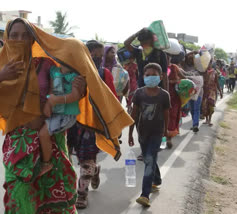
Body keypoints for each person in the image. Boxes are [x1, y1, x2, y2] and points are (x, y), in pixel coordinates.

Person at [0, 18, 133, 213]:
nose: (19, 40)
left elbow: (65, 88)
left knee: (54, 200)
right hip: (19, 145)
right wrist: (0, 77)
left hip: (51, 141)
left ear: (33, 40)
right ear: (7, 39)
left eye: (25, 35)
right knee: (20, 198)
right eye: (14, 36)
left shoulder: (45, 65)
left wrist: (76, 92)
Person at [67, 40, 118, 209]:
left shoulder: (104, 74)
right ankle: (94, 171)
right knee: (70, 159)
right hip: (70, 123)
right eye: (93, 54)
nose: (96, 58)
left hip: (91, 125)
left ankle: (82, 194)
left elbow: (112, 101)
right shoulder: (68, 73)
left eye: (99, 55)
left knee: (87, 159)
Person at [128, 63, 170, 207]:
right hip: (142, 133)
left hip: (157, 134)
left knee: (150, 159)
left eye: (154, 74)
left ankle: (145, 195)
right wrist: (130, 134)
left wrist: (166, 134)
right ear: (143, 76)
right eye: (147, 75)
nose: (151, 77)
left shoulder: (164, 95)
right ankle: (156, 180)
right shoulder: (139, 93)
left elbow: (166, 115)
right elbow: (134, 114)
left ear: (161, 76)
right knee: (149, 159)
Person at [38, 63, 81, 175]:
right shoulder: (54, 71)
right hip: (56, 112)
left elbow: (75, 95)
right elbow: (51, 90)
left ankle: (46, 163)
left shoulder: (76, 75)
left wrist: (56, 100)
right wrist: (49, 103)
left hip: (66, 115)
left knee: (43, 134)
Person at [166, 54, 185, 148]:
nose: (167, 58)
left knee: (172, 117)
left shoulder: (174, 67)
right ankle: (162, 138)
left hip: (174, 97)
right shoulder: (159, 67)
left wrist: (175, 81)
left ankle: (169, 138)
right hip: (162, 96)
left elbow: (183, 78)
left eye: (168, 56)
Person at [182, 51, 203, 133]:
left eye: (193, 59)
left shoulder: (198, 67)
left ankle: (195, 125)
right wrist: (193, 52)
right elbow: (183, 56)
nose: (191, 60)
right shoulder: (184, 66)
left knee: (197, 108)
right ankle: (194, 123)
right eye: (190, 59)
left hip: (198, 92)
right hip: (189, 91)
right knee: (192, 109)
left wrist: (197, 55)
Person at [202, 61, 223, 126]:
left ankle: (210, 120)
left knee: (211, 105)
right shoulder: (204, 72)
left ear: (211, 64)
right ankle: (206, 119)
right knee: (205, 106)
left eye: (209, 64)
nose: (208, 65)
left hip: (212, 92)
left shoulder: (215, 73)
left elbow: (217, 83)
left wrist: (220, 92)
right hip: (205, 91)